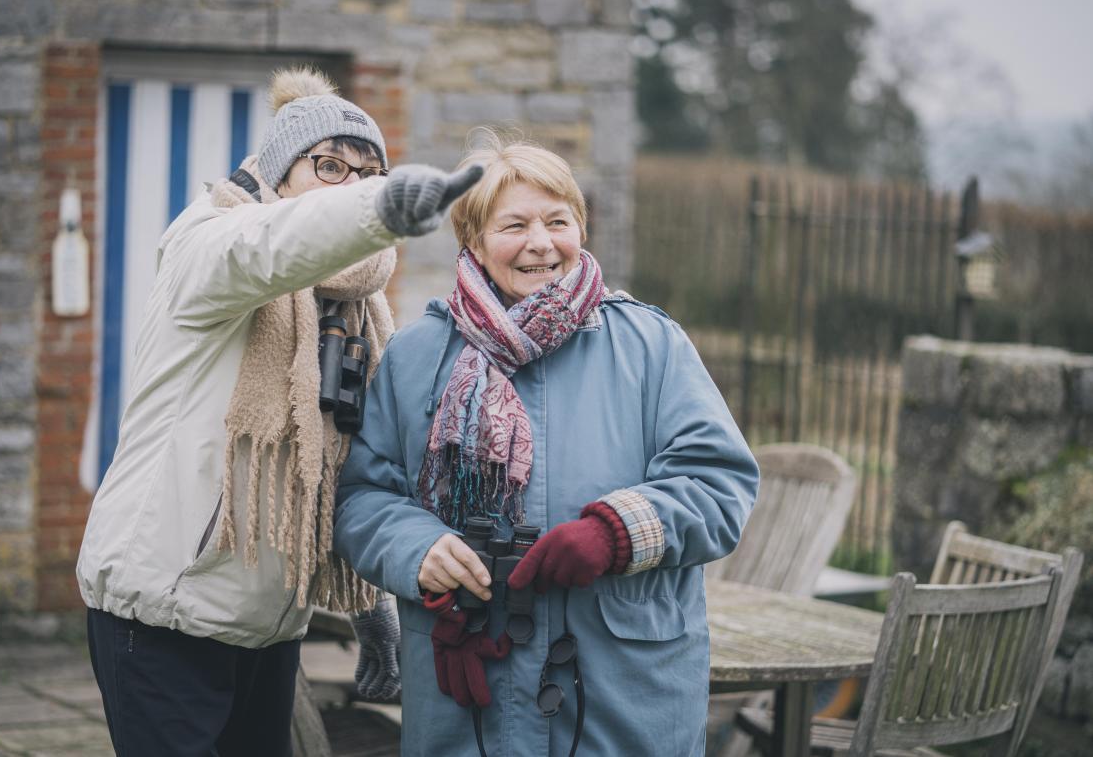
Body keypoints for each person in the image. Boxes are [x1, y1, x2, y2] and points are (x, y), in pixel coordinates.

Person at [75, 66, 482, 756]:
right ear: (275, 176)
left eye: (367, 171)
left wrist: (370, 604)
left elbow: (345, 466)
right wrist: (379, 205)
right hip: (161, 612)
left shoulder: (354, 312)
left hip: (270, 622)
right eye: (328, 165)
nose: (349, 184)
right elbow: (271, 245)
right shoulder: (207, 246)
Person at [333, 134, 760, 757]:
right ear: (473, 240)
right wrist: (417, 547)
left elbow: (718, 486)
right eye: (514, 225)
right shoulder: (417, 354)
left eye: (557, 221)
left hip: (620, 692)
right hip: (472, 688)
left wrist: (616, 533)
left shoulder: (650, 344)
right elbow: (364, 497)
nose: (541, 243)